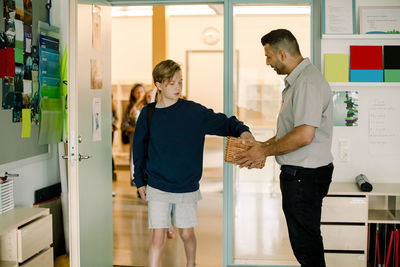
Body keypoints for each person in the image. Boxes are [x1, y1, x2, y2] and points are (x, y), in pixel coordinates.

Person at [132, 59, 254, 267]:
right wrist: (140, 181)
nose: (178, 87)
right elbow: (139, 149)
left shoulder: (193, 112)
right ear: (159, 85)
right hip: (157, 184)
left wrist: (243, 130)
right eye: (172, 83)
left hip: (186, 185)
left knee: (187, 233)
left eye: (180, 82)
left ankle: (191, 264)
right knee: (158, 237)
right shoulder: (148, 113)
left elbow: (224, 122)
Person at [235, 29, 334, 267]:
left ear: (281, 53)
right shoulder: (299, 81)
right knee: (305, 241)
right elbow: (290, 133)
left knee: (306, 244)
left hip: (305, 177)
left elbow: (303, 136)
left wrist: (263, 152)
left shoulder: (307, 83)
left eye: (268, 56)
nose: (267, 62)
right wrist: (262, 145)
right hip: (303, 175)